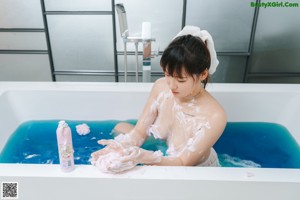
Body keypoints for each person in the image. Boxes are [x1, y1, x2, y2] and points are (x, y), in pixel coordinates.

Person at [91, 26, 226, 173]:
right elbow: (139, 133)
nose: (171, 85)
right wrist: (118, 148)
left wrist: (144, 157)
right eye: (167, 74)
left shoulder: (214, 116)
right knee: (120, 127)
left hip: (194, 171)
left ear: (203, 74)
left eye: (180, 80)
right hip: (168, 150)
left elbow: (182, 162)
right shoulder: (161, 87)